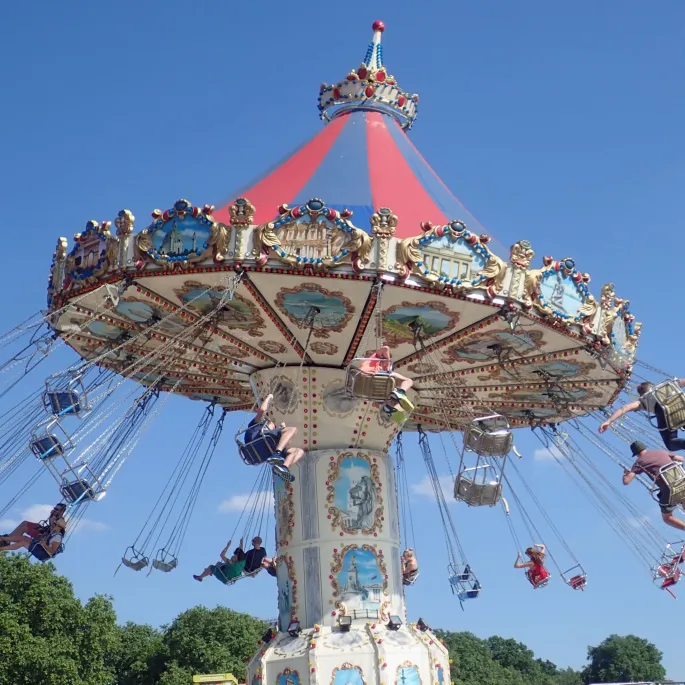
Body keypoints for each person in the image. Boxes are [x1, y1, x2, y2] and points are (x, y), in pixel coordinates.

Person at [599, 380, 685, 452]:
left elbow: (624, 408)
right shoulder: (667, 386)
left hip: (664, 415)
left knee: (670, 443)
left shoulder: (643, 400)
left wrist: (609, 421)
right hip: (682, 408)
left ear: (641, 393)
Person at [623, 440, 685, 530]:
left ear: (635, 453)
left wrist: (625, 474)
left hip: (669, 490)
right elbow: (680, 459)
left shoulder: (639, 462)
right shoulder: (660, 452)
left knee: (667, 518)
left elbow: (626, 482)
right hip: (682, 482)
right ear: (644, 447)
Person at [243, 393, 305, 482]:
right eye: (272, 426)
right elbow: (262, 410)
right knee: (293, 430)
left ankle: (283, 468)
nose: (274, 427)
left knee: (299, 451)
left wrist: (282, 429)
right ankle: (277, 454)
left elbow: (287, 443)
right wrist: (269, 397)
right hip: (260, 442)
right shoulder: (255, 426)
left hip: (262, 452)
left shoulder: (270, 439)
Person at [358, 346, 415, 424]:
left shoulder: (364, 365)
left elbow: (384, 349)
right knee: (408, 381)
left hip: (363, 386)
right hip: (374, 378)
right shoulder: (376, 360)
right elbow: (386, 348)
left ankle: (392, 405)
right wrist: (387, 360)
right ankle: (400, 393)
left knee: (390, 392)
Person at [0, 503, 67, 557]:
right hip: (43, 532)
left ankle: (6, 540)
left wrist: (52, 523)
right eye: (54, 508)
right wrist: (51, 516)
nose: (54, 510)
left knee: (24, 531)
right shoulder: (53, 516)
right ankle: (6, 539)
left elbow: (53, 533)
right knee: (25, 524)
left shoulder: (60, 522)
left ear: (61, 512)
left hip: (44, 538)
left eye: (56, 509)